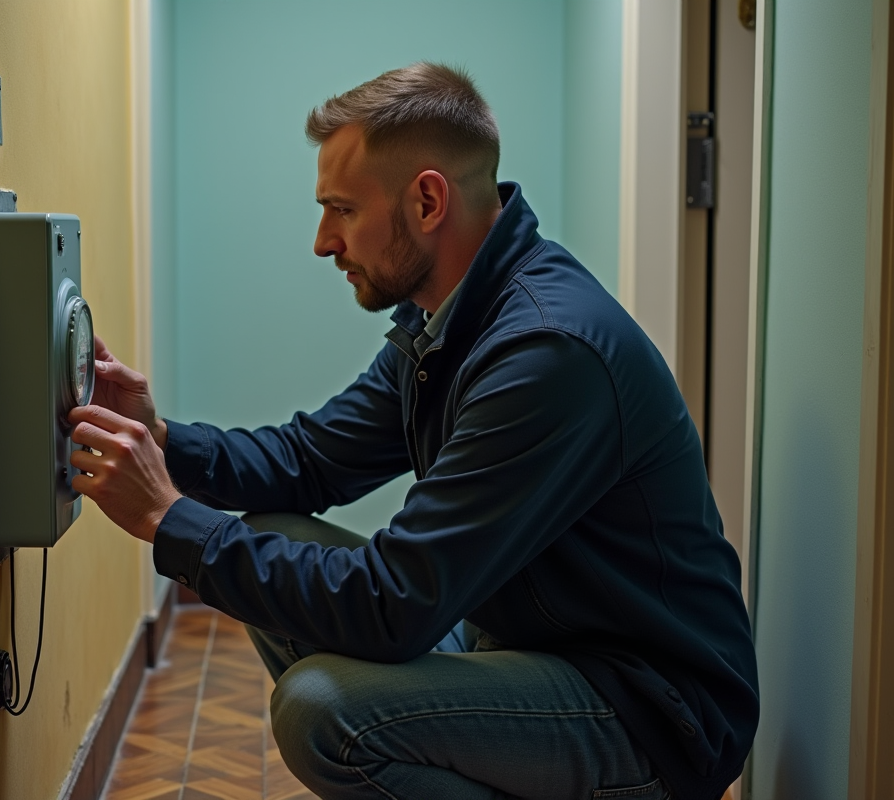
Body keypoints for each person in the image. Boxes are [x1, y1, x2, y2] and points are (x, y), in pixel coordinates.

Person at [66, 62, 758, 800]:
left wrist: (166, 517)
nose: (323, 242)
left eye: (341, 209)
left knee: (326, 713)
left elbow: (392, 604)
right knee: (273, 531)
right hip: (523, 641)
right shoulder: (452, 319)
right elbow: (310, 460)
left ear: (428, 201)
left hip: (648, 710)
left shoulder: (546, 353)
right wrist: (157, 437)